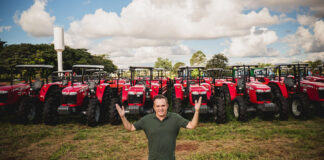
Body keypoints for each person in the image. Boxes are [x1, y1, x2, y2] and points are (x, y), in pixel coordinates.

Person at [115, 94, 202, 160]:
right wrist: (123, 117)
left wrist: (197, 111)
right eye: (158, 106)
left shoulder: (175, 118)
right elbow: (130, 127)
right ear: (154, 107)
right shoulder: (146, 120)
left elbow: (192, 125)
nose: (160, 108)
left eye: (163, 105)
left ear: (167, 106)